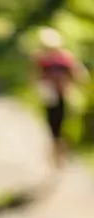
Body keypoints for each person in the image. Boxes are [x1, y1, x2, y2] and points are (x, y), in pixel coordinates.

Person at [32, 27, 89, 169]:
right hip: (50, 97)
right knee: (53, 126)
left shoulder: (66, 59)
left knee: (64, 126)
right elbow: (35, 77)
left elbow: (79, 75)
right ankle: (57, 152)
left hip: (65, 95)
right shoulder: (41, 59)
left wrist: (70, 85)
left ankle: (61, 152)